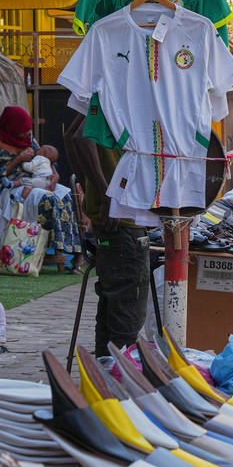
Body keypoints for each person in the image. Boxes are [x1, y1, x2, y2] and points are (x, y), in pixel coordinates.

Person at [65, 109, 150, 358]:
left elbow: (73, 136)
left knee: (112, 308)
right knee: (125, 317)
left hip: (118, 221)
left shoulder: (113, 96)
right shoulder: (118, 96)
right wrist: (104, 194)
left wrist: (94, 188)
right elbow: (79, 137)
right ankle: (119, 385)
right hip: (123, 222)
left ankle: (106, 379)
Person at [0, 107, 82, 267]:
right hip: (9, 186)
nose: (25, 134)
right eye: (22, 131)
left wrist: (55, 174)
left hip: (37, 178)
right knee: (48, 198)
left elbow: (46, 158)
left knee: (67, 193)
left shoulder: (27, 138)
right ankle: (51, 246)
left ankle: (75, 250)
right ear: (12, 127)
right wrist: (18, 160)